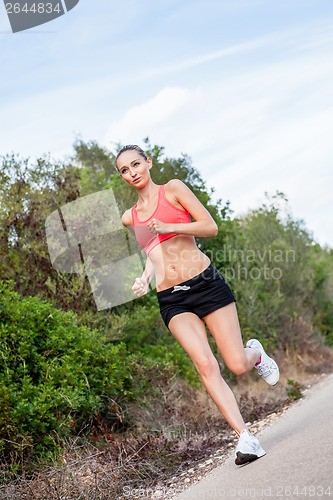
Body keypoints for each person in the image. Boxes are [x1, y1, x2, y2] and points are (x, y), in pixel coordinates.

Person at [117, 144, 279, 466]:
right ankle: (245, 438)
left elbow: (210, 226)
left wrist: (171, 226)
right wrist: (146, 278)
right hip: (171, 299)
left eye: (136, 164)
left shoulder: (173, 190)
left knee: (235, 364)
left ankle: (256, 353)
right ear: (122, 176)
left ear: (148, 162)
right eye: (124, 169)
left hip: (206, 284)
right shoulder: (129, 217)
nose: (132, 172)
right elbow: (153, 252)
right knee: (205, 365)